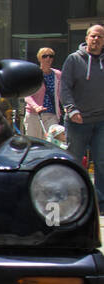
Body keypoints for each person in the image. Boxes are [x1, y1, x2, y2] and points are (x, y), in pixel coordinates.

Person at [59, 24, 104, 212]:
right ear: (86, 38)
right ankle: (72, 202)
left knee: (102, 163)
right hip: (77, 121)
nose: (96, 39)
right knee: (75, 161)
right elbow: (65, 88)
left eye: (100, 37)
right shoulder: (73, 60)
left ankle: (100, 204)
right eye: (93, 36)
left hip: (101, 121)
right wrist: (71, 110)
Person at [23, 47, 61, 140]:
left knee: (52, 141)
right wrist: (35, 107)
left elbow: (62, 93)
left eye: (50, 56)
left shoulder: (58, 74)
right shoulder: (33, 74)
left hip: (51, 114)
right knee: (34, 142)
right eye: (44, 56)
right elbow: (27, 94)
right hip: (34, 115)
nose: (48, 58)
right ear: (39, 58)